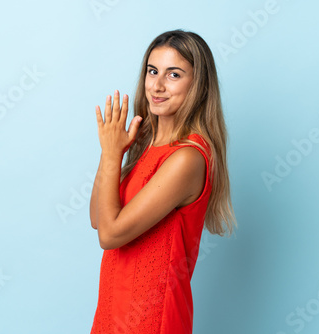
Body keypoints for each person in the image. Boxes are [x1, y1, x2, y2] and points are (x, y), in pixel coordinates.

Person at [89, 29, 237, 334]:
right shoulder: (147, 146)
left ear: (198, 85)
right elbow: (98, 218)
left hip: (149, 318)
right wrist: (111, 153)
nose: (157, 85)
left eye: (174, 75)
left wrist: (112, 154)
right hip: (113, 309)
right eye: (152, 71)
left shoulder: (187, 158)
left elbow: (109, 234)